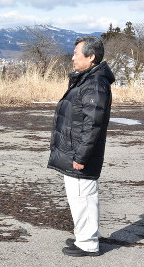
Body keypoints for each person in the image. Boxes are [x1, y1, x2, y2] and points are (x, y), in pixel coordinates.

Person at [47, 36, 115, 257]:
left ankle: (88, 243)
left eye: (76, 53)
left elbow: (92, 124)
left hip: (80, 153)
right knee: (77, 197)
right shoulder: (87, 79)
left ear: (91, 57)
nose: (73, 57)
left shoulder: (95, 83)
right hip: (73, 149)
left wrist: (82, 156)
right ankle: (83, 235)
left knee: (83, 196)